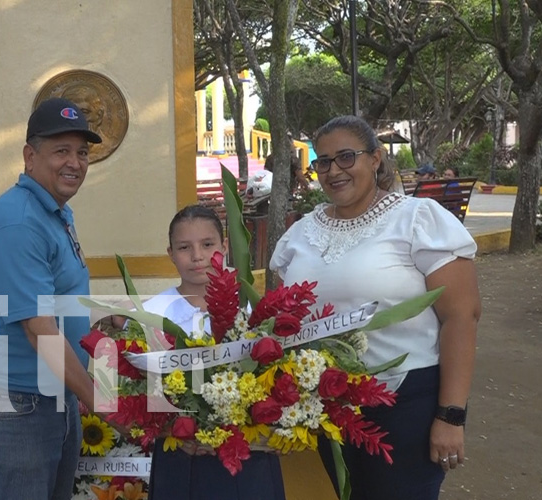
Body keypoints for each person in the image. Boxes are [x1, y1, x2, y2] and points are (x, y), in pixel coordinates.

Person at [269, 115, 481, 500]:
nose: (334, 171)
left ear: (376, 159)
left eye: (346, 157)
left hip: (403, 406)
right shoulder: (300, 233)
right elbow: (284, 322)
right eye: (323, 161)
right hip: (319, 410)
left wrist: (451, 415)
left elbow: (461, 317)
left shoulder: (418, 220)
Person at [0, 97, 104, 500]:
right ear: (29, 156)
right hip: (11, 410)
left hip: (50, 397)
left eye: (82, 152)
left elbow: (61, 301)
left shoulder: (52, 212)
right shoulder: (18, 224)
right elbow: (40, 331)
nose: (75, 162)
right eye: (61, 151)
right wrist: (102, 400)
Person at [145, 204, 286, 500]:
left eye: (207, 245)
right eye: (184, 247)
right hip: (183, 457)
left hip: (249, 455)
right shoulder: (152, 313)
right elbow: (135, 391)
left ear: (224, 246)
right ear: (170, 253)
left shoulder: (251, 309)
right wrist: (172, 427)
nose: (197, 256)